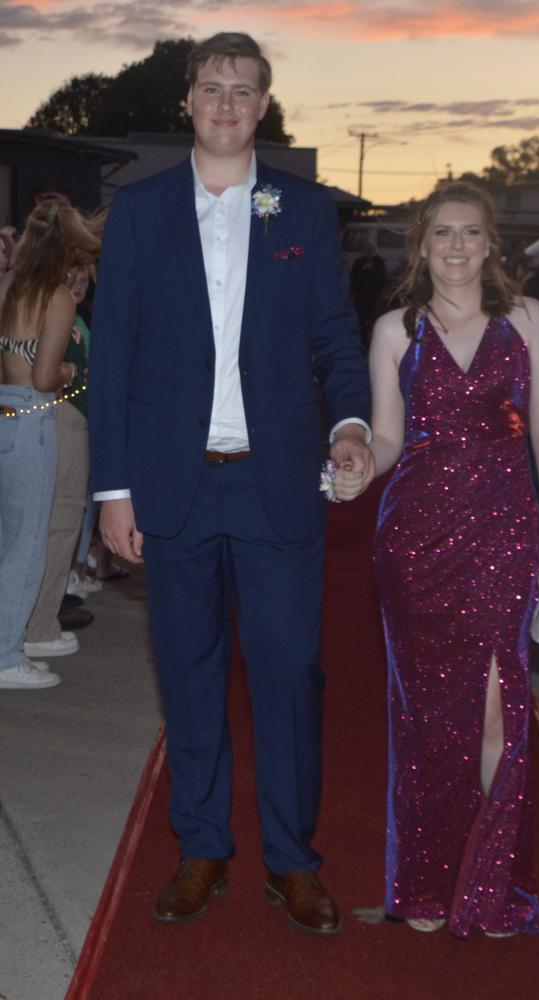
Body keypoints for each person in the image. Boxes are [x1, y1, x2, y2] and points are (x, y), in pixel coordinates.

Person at [89, 32, 373, 933]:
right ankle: (203, 848)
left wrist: (353, 425)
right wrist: (112, 490)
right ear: (189, 102)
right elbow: (116, 358)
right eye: (210, 87)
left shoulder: (303, 209)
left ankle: (293, 861)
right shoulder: (137, 212)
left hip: (277, 486)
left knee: (289, 675)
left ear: (262, 107)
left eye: (242, 90)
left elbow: (335, 336)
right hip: (173, 490)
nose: (224, 103)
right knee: (189, 675)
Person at [336, 182, 539, 937]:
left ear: (490, 245)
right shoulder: (393, 331)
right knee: (425, 716)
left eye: (469, 234)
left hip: (506, 529)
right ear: (422, 245)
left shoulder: (527, 321)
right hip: (415, 538)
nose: (455, 247)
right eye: (441, 233)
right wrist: (354, 463)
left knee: (494, 711)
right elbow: (387, 439)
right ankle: (426, 885)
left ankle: (490, 882)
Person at [0, 200, 100, 690]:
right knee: (29, 543)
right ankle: (6, 656)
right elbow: (44, 378)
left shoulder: (5, 287)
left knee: (5, 537)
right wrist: (68, 371)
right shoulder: (57, 298)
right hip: (32, 420)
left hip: (1, 413)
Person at [350, 240, 387, 348]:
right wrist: (363, 270)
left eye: (371, 249)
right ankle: (360, 342)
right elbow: (354, 279)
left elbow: (382, 280)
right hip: (361, 296)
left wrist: (373, 270)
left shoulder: (379, 262)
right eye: (367, 249)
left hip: (374, 296)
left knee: (372, 320)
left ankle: (371, 343)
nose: (369, 251)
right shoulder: (359, 262)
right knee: (360, 321)